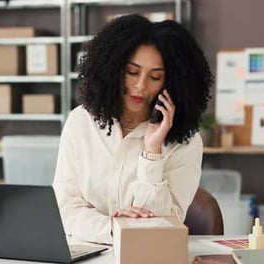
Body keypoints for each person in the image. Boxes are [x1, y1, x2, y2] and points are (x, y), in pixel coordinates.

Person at [53, 14, 212, 244]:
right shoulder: (81, 123)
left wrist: (152, 151)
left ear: (172, 83)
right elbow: (64, 209)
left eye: (155, 77)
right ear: (113, 69)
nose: (140, 86)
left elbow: (161, 228)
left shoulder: (185, 143)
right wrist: (113, 227)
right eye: (132, 72)